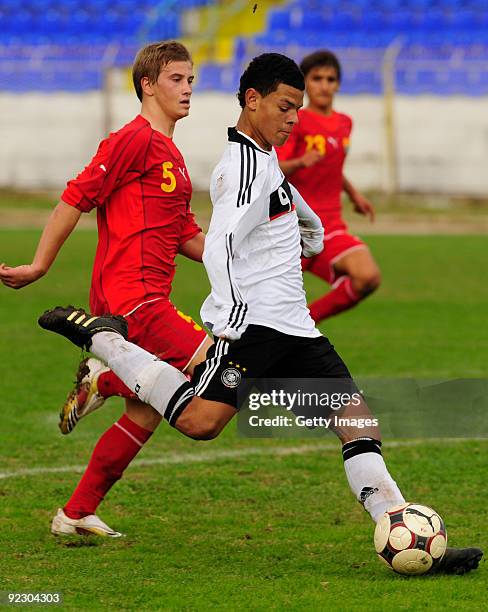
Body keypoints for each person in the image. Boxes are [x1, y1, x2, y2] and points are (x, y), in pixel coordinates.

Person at [38, 53, 482, 574]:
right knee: (201, 422)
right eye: (285, 107)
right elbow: (223, 242)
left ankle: (403, 531)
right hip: (256, 328)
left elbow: (277, 201)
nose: (295, 118)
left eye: (297, 109)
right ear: (253, 101)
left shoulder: (262, 159)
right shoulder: (238, 167)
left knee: (357, 422)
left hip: (297, 328)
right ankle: (103, 344)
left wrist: (311, 228)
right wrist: (227, 313)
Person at [0, 41, 213, 537]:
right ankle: (107, 380)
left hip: (146, 298)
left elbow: (186, 235)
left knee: (147, 409)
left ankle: (75, 514)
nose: (187, 90)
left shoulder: (172, 156)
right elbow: (76, 197)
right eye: (176, 80)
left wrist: (249, 256)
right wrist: (39, 265)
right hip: (134, 301)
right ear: (147, 85)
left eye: (191, 81)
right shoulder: (132, 140)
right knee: (214, 371)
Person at [276, 50, 380, 323]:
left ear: (338, 84)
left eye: (330, 79)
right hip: (292, 227)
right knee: (267, 309)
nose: (324, 85)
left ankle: (307, 320)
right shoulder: (294, 120)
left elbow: (333, 167)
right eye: (317, 78)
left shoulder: (344, 123)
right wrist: (301, 162)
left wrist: (354, 194)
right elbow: (275, 168)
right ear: (305, 84)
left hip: (331, 225)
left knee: (367, 276)